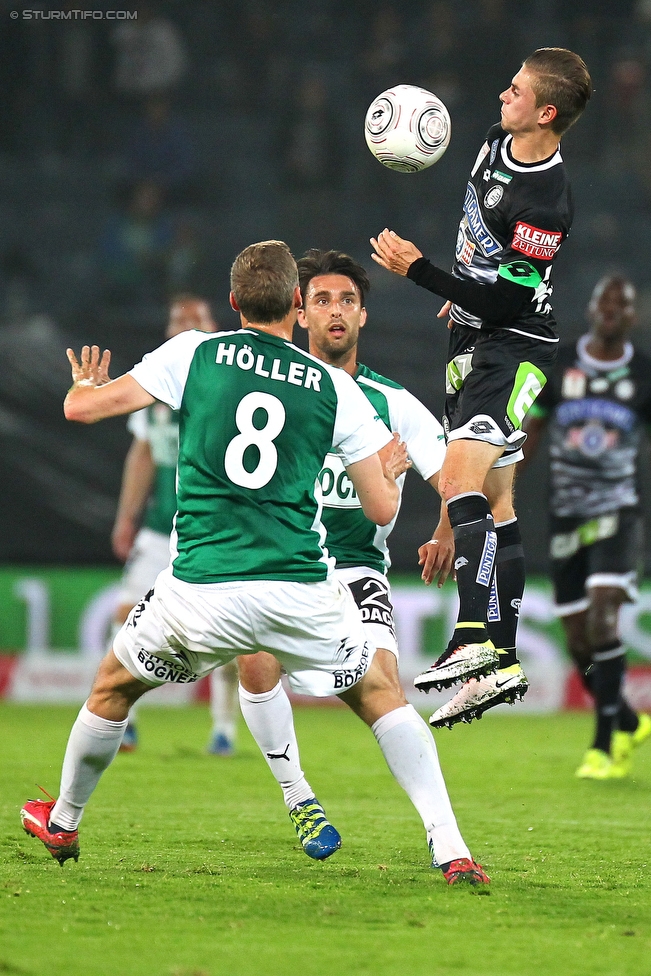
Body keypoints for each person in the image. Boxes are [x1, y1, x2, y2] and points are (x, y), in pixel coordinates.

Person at [20, 241, 487, 886]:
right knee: (382, 696)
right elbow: (381, 511)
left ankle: (64, 818)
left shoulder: (194, 353)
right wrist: (388, 471)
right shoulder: (331, 387)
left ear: (233, 303)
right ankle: (450, 847)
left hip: (200, 587)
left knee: (113, 687)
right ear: (297, 307)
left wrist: (81, 388)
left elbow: (81, 408)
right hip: (302, 588)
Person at [236, 249, 485, 882]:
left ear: (364, 316)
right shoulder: (266, 390)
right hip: (274, 566)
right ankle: (299, 798)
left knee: (379, 688)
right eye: (320, 299)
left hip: (353, 572)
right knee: (255, 658)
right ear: (299, 312)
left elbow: (456, 476)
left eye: (346, 299)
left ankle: (449, 844)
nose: (335, 311)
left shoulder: (390, 402)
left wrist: (444, 528)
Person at [370, 47, 592, 729]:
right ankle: (503, 665)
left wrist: (421, 273)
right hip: (471, 337)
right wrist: (462, 295)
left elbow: (510, 305)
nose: (503, 94)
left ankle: (472, 639)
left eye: (517, 90)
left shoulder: (545, 203)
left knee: (457, 484)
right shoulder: (497, 141)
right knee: (495, 503)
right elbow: (484, 267)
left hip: (513, 349)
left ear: (545, 112)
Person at [522, 275, 651, 779]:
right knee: (578, 641)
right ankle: (627, 717)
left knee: (602, 621)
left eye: (624, 304)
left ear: (632, 317)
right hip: (566, 517)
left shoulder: (643, 373)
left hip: (617, 513)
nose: (612, 310)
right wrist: (503, 491)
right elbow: (534, 427)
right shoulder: (563, 364)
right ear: (593, 308)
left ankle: (603, 745)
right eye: (605, 301)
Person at [110, 293, 239, 756]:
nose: (184, 325)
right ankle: (122, 723)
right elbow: (143, 454)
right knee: (125, 616)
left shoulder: (229, 384)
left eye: (195, 319)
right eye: (176, 319)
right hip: (161, 526)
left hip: (211, 531)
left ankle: (223, 728)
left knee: (228, 636)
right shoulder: (155, 387)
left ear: (214, 327)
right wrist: (127, 517)